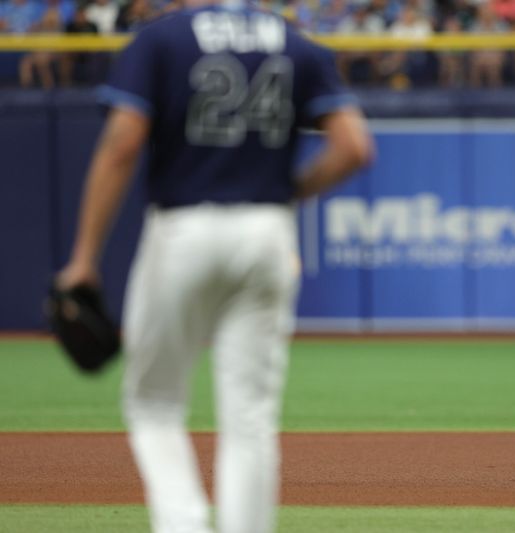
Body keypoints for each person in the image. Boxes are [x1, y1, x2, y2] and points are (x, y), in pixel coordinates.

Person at [55, 0, 374, 531]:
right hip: (267, 234)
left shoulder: (161, 39)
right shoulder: (295, 42)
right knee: (250, 416)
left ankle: (182, 523)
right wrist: (285, 196)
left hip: (183, 228)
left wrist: (84, 258)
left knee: (154, 403)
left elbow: (121, 145)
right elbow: (354, 148)